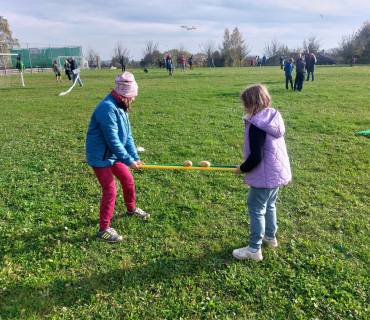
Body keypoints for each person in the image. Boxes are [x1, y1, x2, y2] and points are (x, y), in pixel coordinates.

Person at [85, 72, 150, 242]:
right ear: (123, 94)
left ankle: (131, 209)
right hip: (101, 157)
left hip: (113, 154)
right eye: (132, 96)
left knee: (128, 179)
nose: (134, 99)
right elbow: (112, 140)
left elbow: (127, 136)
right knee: (110, 190)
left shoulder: (121, 106)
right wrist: (128, 160)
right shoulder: (107, 108)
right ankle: (103, 229)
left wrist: (134, 157)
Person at [232, 84, 292, 261]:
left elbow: (257, 155)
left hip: (265, 175)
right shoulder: (271, 117)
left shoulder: (257, 124)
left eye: (246, 105)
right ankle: (270, 237)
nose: (244, 108)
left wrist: (242, 168)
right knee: (270, 205)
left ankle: (254, 250)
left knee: (257, 208)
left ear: (253, 104)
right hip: (276, 172)